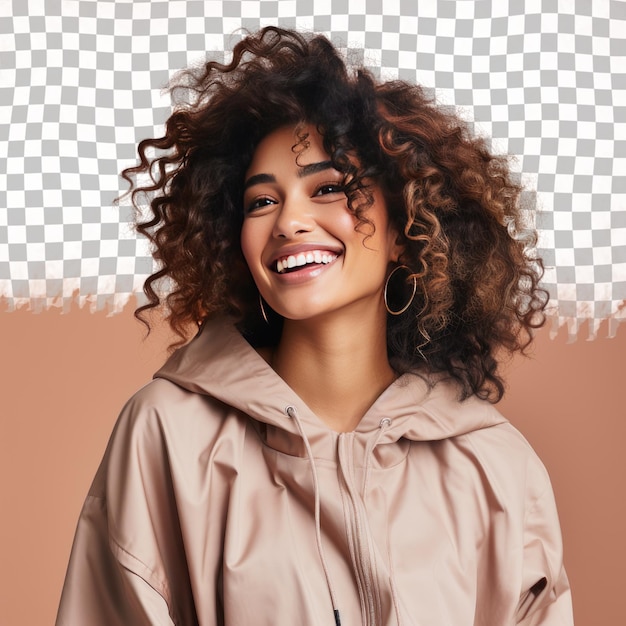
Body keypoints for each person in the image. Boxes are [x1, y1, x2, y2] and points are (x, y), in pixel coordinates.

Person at [56, 27, 573, 626]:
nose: (289, 221)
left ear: (409, 230)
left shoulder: (496, 466)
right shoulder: (168, 434)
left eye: (327, 188)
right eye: (260, 202)